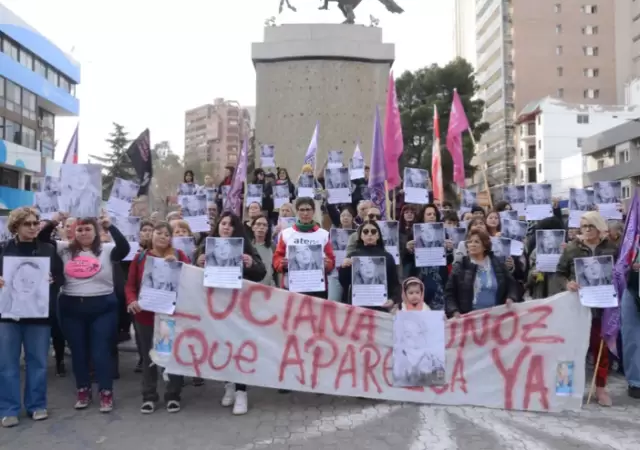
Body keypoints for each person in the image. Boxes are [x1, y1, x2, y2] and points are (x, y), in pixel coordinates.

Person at [38, 213, 130, 413]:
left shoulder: (106, 249)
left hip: (103, 307)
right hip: (71, 307)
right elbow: (42, 239)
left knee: (100, 351)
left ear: (96, 231)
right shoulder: (63, 249)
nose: (84, 232)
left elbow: (125, 248)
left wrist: (110, 226)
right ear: (73, 232)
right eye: (79, 229)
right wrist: (54, 221)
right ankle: (83, 389)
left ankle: (106, 392)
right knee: (78, 352)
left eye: (88, 228)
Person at [195, 212, 266, 415]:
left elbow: (261, 272)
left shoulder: (244, 246)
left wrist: (251, 264)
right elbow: (192, 276)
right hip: (215, 306)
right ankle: (228, 385)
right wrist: (197, 262)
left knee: (239, 346)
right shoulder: (205, 246)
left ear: (237, 229)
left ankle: (241, 391)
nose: (226, 227)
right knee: (222, 347)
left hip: (240, 305)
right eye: (223, 223)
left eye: (231, 224)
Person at [0, 207, 64, 427]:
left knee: (37, 363)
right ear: (15, 226)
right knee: (8, 364)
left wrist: (52, 280)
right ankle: (8, 409)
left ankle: (37, 405)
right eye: (27, 223)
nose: (33, 227)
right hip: (8, 316)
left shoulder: (48, 249)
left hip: (39, 316)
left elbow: (61, 276)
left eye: (36, 223)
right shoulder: (3, 249)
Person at [554, 210, 618, 406]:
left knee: (601, 348)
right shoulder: (572, 248)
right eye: (584, 226)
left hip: (601, 307)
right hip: (576, 306)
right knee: (569, 346)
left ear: (599, 228)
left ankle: (600, 389)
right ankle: (564, 387)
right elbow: (559, 273)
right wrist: (568, 284)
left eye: (591, 225)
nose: (587, 229)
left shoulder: (612, 248)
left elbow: (619, 274)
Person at [126, 222, 190, 414]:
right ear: (151, 235)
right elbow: (130, 285)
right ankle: (149, 395)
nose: (163, 237)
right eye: (159, 233)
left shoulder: (179, 256)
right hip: (145, 316)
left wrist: (178, 267)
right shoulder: (140, 258)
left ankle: (173, 395)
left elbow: (191, 279)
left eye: (166, 234)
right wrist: (131, 301)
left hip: (169, 315)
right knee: (148, 357)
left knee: (170, 355)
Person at [445, 229, 520, 317]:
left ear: (485, 246)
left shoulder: (497, 264)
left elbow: (512, 285)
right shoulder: (460, 266)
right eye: (470, 242)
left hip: (495, 317)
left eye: (476, 242)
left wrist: (510, 298)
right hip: (469, 320)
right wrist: (454, 311)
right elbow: (449, 294)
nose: (472, 244)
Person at [273, 197, 335, 296]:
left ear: (313, 211)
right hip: (292, 286)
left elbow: (331, 259)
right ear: (297, 212)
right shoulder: (286, 234)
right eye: (302, 210)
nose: (305, 213)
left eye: (308, 210)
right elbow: (277, 257)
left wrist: (328, 264)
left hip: (317, 287)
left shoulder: (323, 234)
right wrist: (282, 263)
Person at [338, 220, 400, 312]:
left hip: (381, 306)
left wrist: (393, 299)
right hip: (358, 307)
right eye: (366, 231)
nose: (370, 234)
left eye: (373, 231)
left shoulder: (388, 257)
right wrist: (343, 268)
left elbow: (394, 284)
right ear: (361, 236)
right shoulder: (352, 256)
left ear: (378, 235)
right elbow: (345, 283)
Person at [251, 215, 274, 286]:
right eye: (258, 224)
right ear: (252, 227)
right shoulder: (247, 246)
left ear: (267, 229)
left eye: (264, 225)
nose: (261, 227)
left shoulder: (273, 247)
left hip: (269, 289)